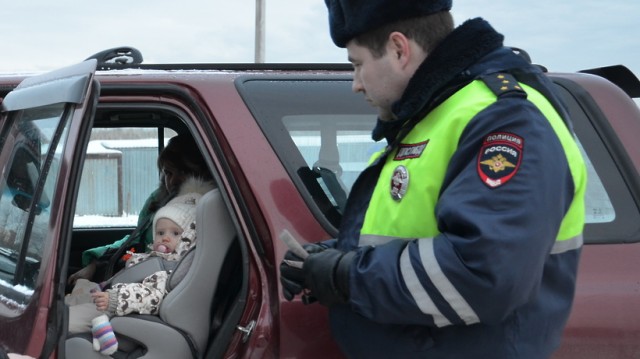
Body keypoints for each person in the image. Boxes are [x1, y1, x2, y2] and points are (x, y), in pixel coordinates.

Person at [279, 1, 587, 358]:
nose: (356, 85)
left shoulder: (504, 118)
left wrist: (346, 276)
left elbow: (483, 275)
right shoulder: (435, 114)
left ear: (399, 49)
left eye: (358, 65)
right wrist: (331, 258)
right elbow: (416, 232)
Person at [65, 176, 215, 355]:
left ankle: (60, 323)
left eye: (175, 233)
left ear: (190, 238)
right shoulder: (153, 256)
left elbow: (151, 296)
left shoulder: (169, 270)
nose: (165, 237)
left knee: (62, 320)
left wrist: (114, 299)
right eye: (160, 232)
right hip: (115, 296)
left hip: (119, 305)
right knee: (70, 301)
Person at [68, 133, 213, 285]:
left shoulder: (200, 213)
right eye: (168, 173)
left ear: (200, 173)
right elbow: (135, 241)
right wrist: (95, 264)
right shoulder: (158, 199)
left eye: (184, 172)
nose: (173, 180)